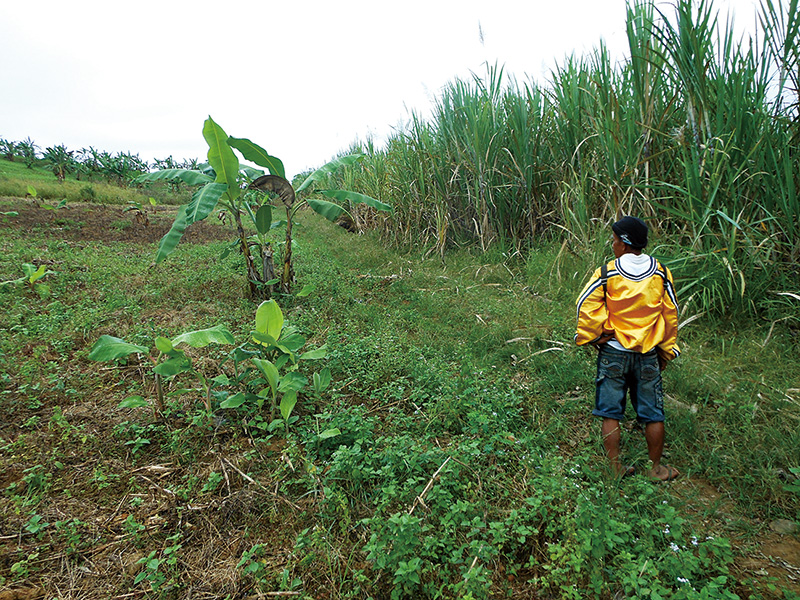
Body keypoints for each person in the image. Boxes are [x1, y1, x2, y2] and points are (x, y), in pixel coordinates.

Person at [575, 216, 681, 481]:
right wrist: (666, 350)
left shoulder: (608, 272)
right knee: (652, 413)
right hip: (647, 354)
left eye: (613, 240)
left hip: (613, 352)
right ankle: (655, 469)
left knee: (610, 412)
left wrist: (598, 334)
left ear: (623, 243)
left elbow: (584, 305)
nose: (612, 245)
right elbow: (671, 313)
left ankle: (614, 468)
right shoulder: (660, 272)